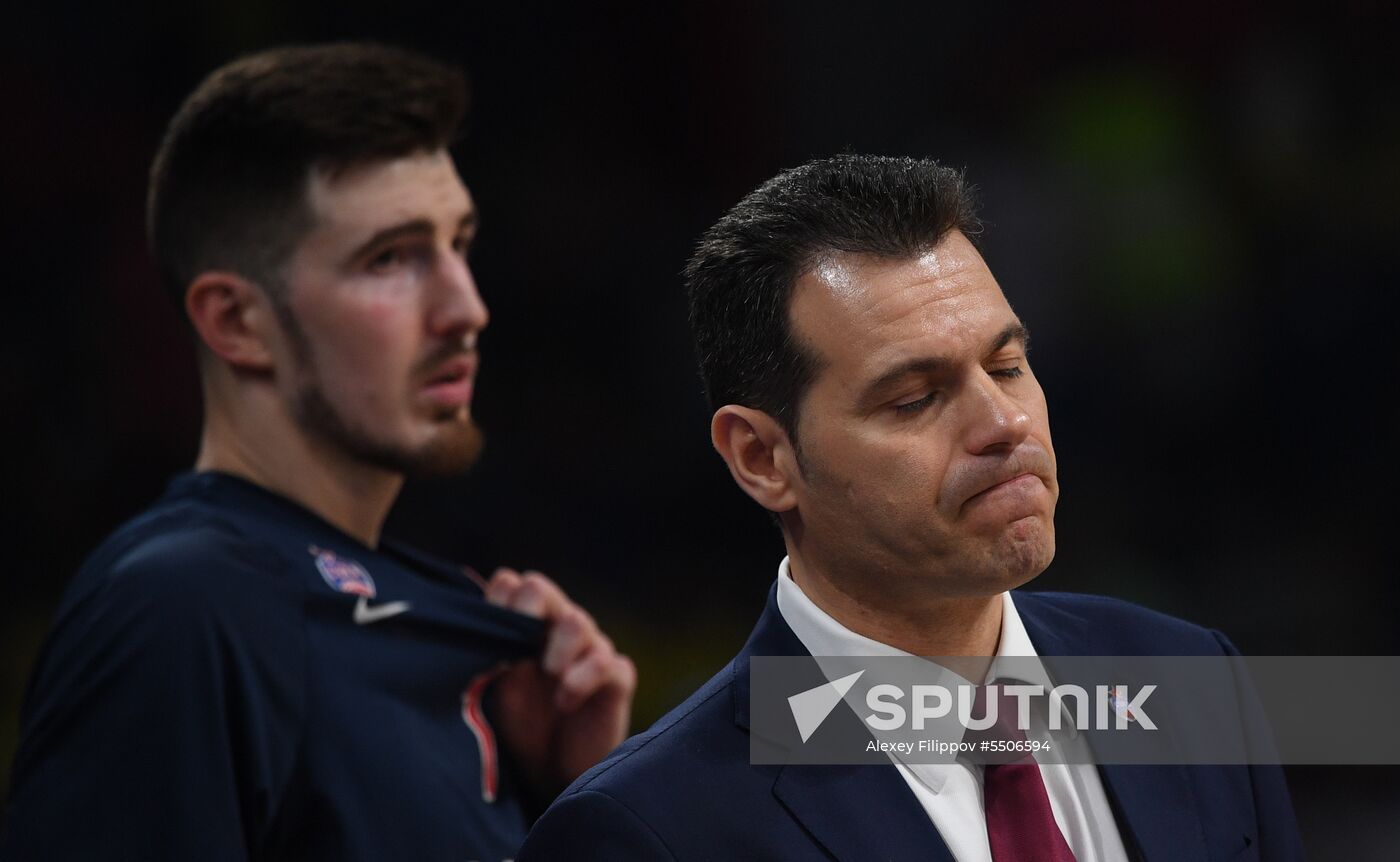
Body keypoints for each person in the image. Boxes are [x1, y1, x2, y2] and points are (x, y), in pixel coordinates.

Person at [517, 156, 1303, 860]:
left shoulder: (1187, 676)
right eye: (915, 399)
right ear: (761, 458)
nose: (1005, 423)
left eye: (1007, 365)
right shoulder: (648, 830)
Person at [0, 43, 635, 862]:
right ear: (237, 322)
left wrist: (571, 804)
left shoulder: (434, 631)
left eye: (459, 244)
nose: (466, 308)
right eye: (390, 258)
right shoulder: (181, 606)